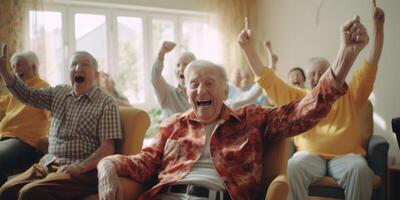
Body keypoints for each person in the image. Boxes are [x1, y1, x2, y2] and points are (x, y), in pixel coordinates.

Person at [95, 16, 366, 200]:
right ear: (185, 90)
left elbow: (302, 112)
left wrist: (345, 57)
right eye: (194, 84)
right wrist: (106, 165)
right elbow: (142, 164)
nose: (201, 90)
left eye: (209, 83)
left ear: (225, 91)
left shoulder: (251, 118)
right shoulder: (172, 125)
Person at [243, 5, 384, 200]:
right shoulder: (299, 96)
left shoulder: (350, 94)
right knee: (292, 167)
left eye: (322, 73)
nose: (317, 78)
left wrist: (379, 30)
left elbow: (370, 67)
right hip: (308, 156)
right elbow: (268, 81)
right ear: (307, 79)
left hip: (347, 157)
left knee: (359, 169)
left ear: (333, 72)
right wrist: (248, 50)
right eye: (312, 74)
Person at [0, 49, 123, 200]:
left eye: (85, 64)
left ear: (96, 75)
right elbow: (28, 95)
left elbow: (108, 148)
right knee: (6, 191)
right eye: (74, 65)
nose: (78, 68)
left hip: (82, 170)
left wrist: (80, 167)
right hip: (49, 163)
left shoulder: (106, 102)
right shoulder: (58, 93)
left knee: (30, 193)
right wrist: (6, 73)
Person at [0, 51, 50, 186]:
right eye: (13, 67)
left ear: (33, 67)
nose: (15, 70)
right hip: (5, 138)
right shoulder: (14, 92)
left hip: (25, 142)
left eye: (19, 65)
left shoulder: (43, 88)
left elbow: (53, 116)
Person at [151, 41, 196, 118]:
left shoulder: (200, 95)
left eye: (186, 64)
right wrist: (161, 54)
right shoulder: (168, 93)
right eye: (178, 65)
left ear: (195, 69)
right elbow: (155, 77)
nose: (181, 69)